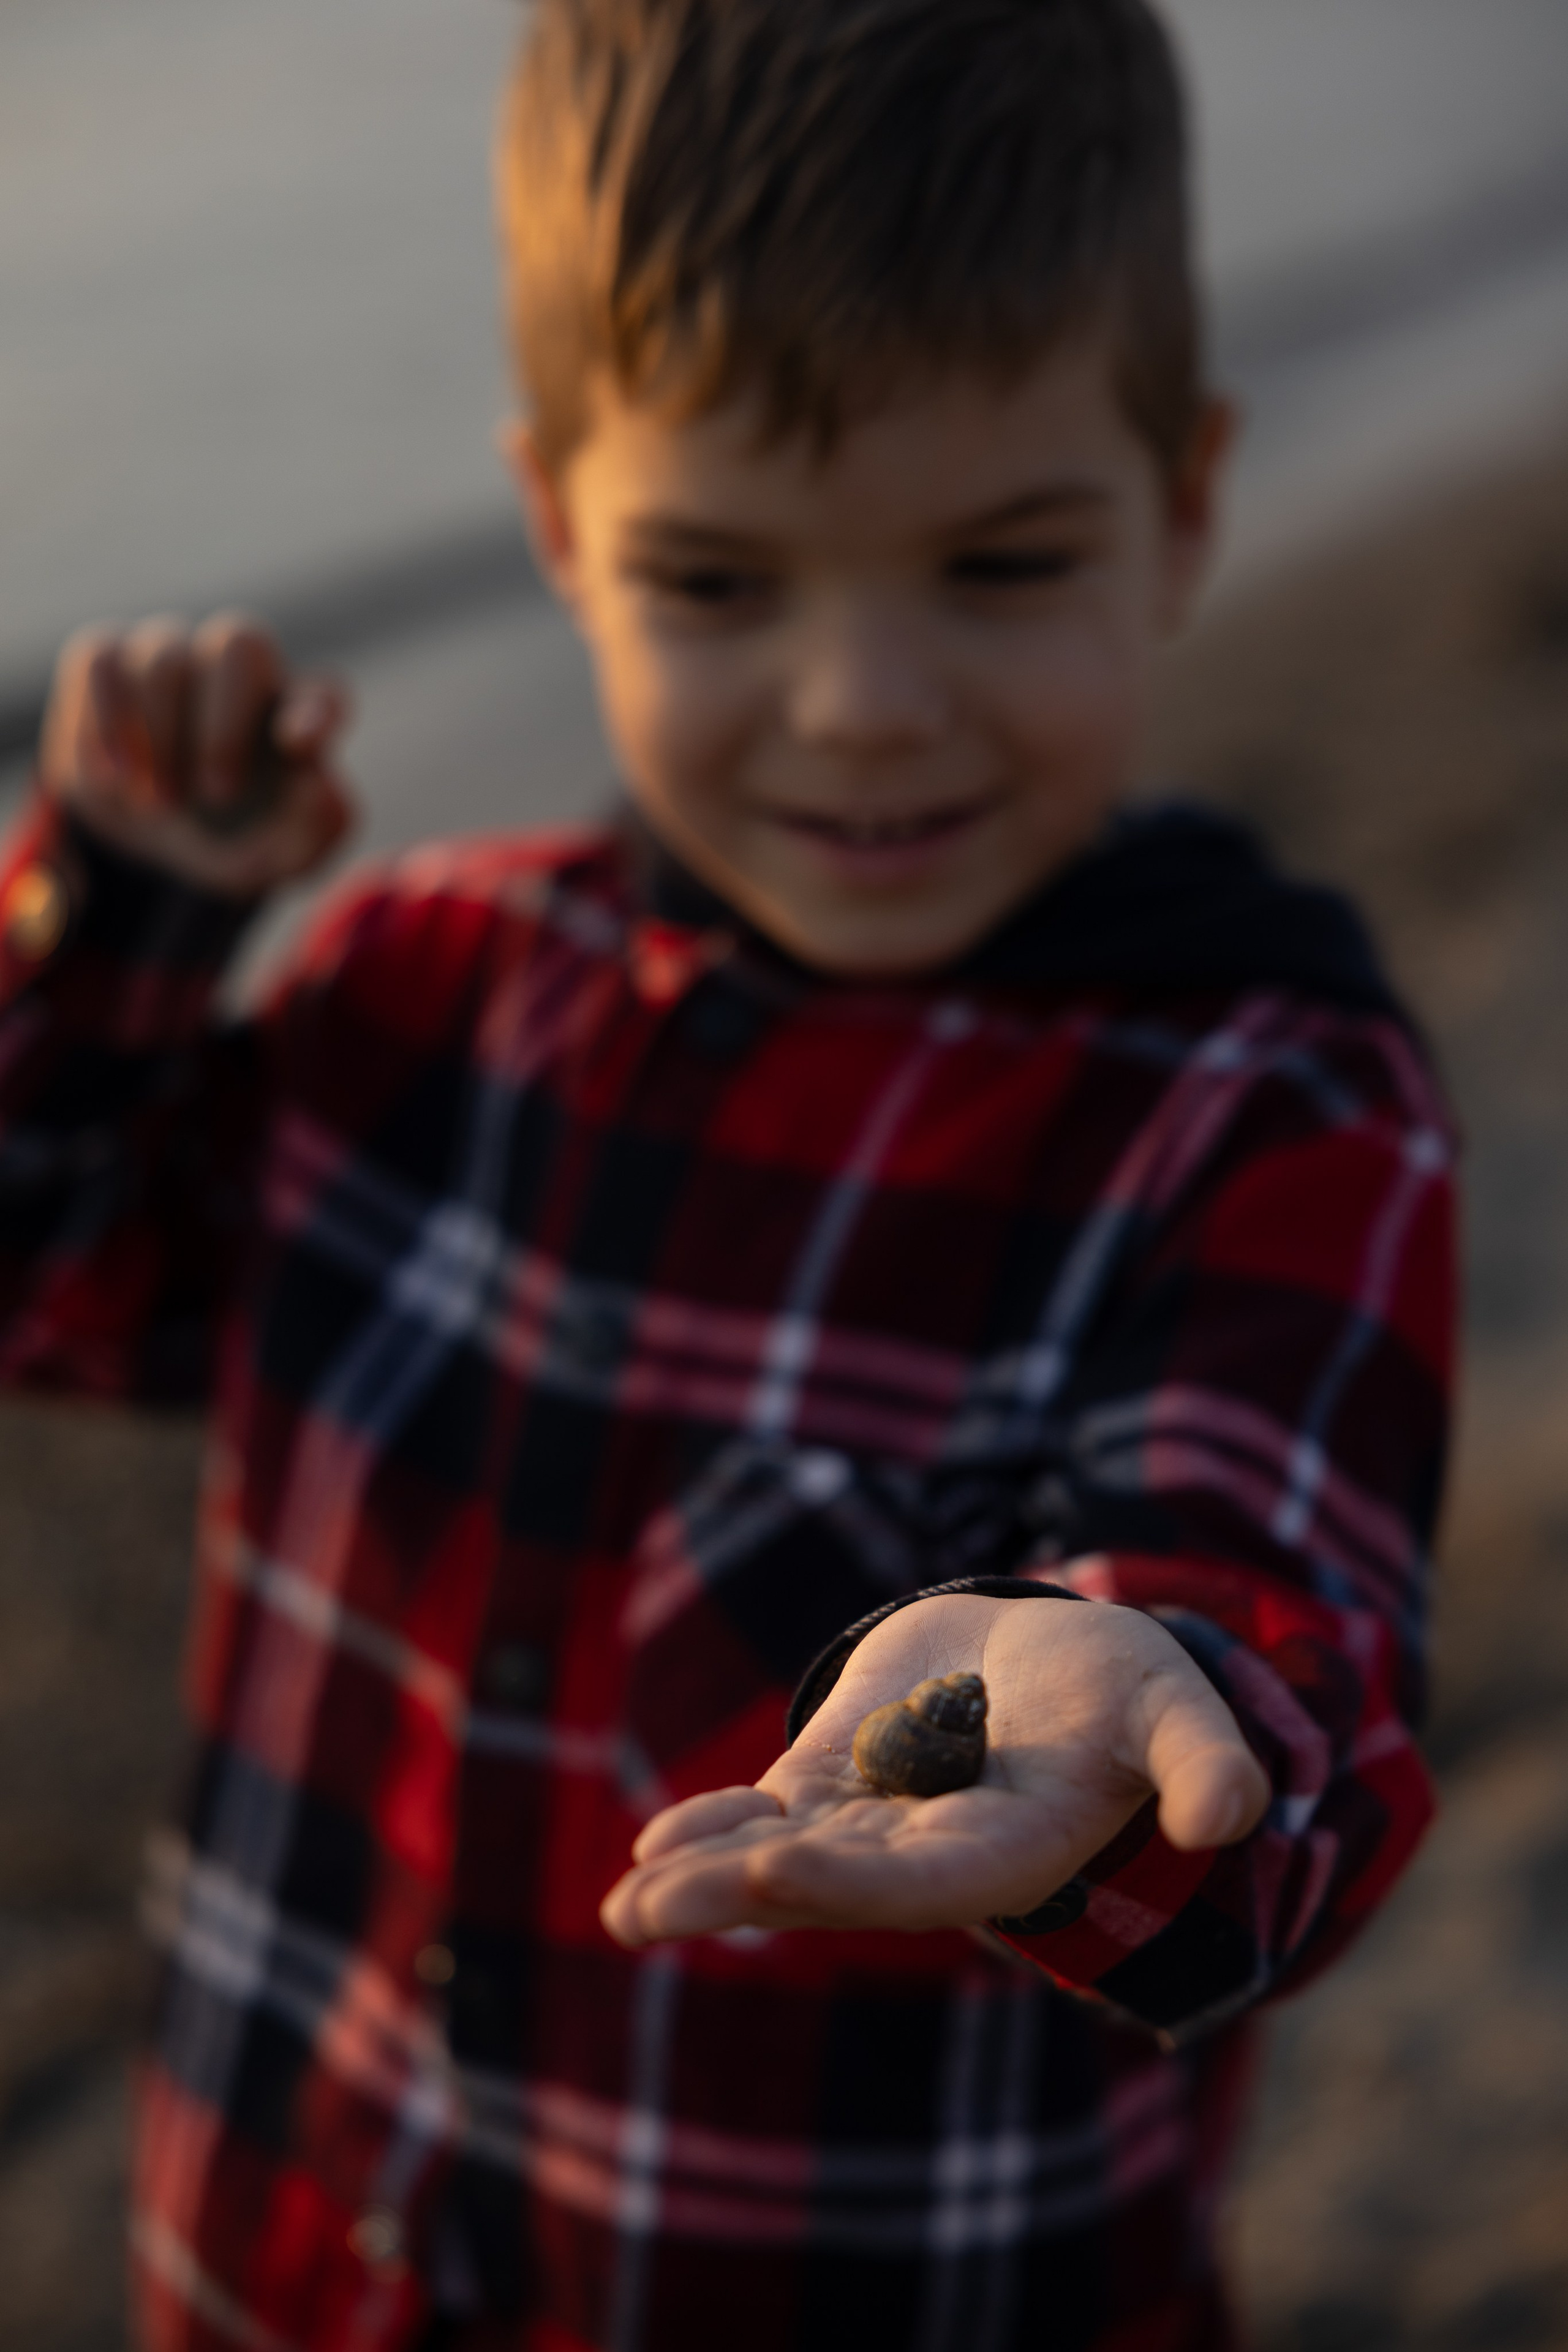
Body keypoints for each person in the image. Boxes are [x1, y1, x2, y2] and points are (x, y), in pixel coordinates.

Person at [0, 1, 1455, 2345]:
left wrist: (1135, 1688)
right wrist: (119, 923)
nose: (862, 697)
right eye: (716, 580)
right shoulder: (409, 985)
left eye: (997, 563)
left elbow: (1290, 1647)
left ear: (1185, 502)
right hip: (283, 2263)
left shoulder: (1265, 1104)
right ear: (561, 530)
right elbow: (58, 1280)